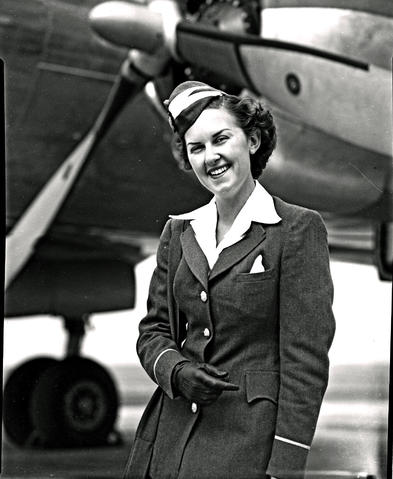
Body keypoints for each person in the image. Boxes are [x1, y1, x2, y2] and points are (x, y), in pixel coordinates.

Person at [123, 81, 335, 479]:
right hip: (167, 442)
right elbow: (153, 331)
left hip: (247, 446)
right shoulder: (179, 232)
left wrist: (285, 465)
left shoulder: (296, 229)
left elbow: (305, 361)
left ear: (252, 141)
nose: (211, 157)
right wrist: (176, 370)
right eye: (196, 147)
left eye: (221, 139)